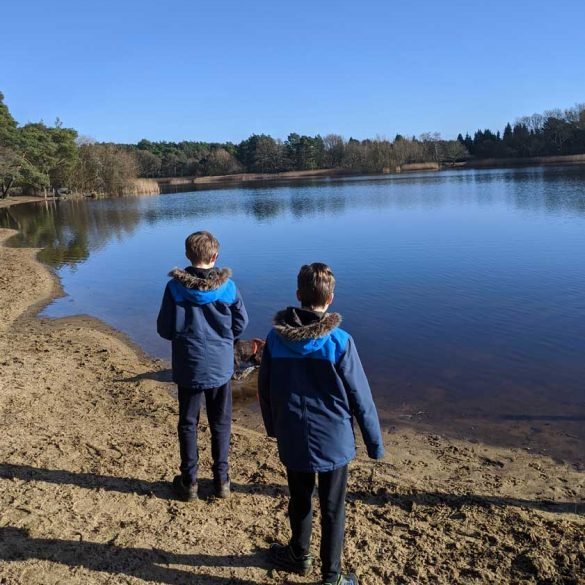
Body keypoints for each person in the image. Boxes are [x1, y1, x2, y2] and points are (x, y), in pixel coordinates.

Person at [258, 263, 384, 585]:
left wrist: (274, 427)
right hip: (334, 440)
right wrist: (374, 444)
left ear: (298, 296)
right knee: (332, 508)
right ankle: (331, 576)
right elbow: (361, 396)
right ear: (331, 299)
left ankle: (299, 556)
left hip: (294, 436)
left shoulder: (275, 339)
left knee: (299, 498)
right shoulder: (341, 341)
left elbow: (266, 389)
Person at [157, 230, 248, 500]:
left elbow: (165, 328)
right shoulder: (228, 287)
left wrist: (184, 335)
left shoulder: (174, 287)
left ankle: (190, 481)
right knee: (221, 422)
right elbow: (240, 323)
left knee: (188, 422)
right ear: (215, 256)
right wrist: (224, 337)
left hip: (189, 364)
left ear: (187, 255)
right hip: (220, 365)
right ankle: (222, 481)